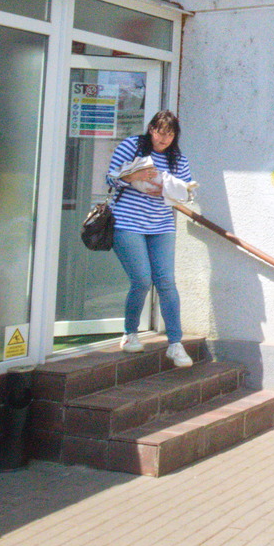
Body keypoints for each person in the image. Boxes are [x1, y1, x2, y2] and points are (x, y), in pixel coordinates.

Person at [106, 110, 195, 367]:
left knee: (166, 282)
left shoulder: (178, 159)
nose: (163, 138)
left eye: (169, 133)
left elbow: (187, 193)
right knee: (142, 280)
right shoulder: (132, 146)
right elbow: (109, 178)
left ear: (175, 135)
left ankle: (175, 344)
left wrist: (170, 190)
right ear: (151, 129)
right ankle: (130, 333)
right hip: (127, 223)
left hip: (161, 226)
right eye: (159, 132)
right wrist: (131, 177)